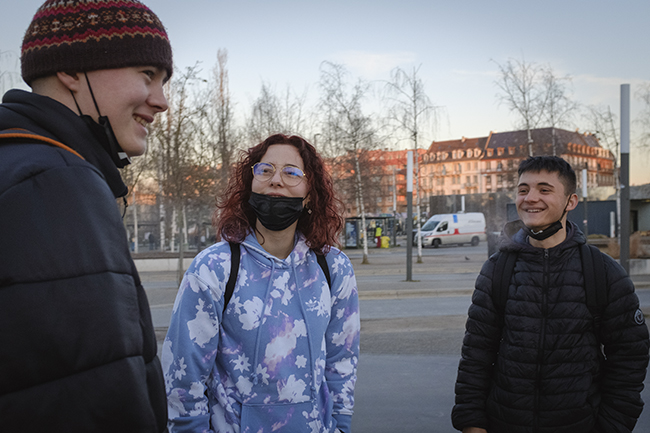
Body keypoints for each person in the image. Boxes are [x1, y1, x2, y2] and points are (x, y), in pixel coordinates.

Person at [0, 1, 173, 431]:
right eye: (147, 75)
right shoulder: (56, 182)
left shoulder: (16, 163)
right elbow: (92, 392)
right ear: (72, 71)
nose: (162, 101)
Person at [163, 134, 360, 433]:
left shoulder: (333, 268)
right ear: (250, 184)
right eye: (265, 170)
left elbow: (342, 361)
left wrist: (341, 427)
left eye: (292, 172)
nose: (276, 180)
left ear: (309, 194)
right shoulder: (214, 268)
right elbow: (183, 373)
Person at [452, 156, 650, 433]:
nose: (531, 198)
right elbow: (476, 354)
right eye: (523, 190)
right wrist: (471, 422)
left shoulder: (603, 272)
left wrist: (612, 425)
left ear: (571, 201)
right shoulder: (498, 269)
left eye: (544, 190)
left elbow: (629, 359)